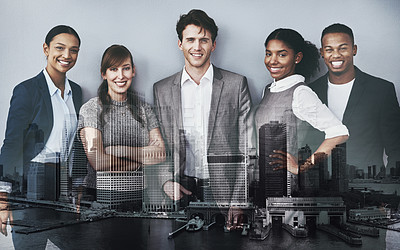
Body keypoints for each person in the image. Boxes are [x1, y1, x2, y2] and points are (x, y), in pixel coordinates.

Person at [153, 9, 252, 211]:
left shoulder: (236, 84)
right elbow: (158, 144)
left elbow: (248, 149)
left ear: (213, 45)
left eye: (204, 40)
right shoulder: (161, 89)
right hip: (180, 190)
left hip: (226, 192)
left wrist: (239, 198)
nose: (197, 47)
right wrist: (165, 181)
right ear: (180, 44)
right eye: (190, 40)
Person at [0, 25, 82, 245]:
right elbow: (11, 144)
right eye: (60, 48)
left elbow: (77, 145)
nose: (67, 55)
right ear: (46, 49)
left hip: (63, 184)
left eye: (73, 50)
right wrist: (3, 199)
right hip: (30, 185)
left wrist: (77, 187)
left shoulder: (77, 91)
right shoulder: (27, 90)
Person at [254, 28, 349, 195]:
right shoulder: (268, 89)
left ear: (297, 58)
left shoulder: (300, 93)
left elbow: (339, 133)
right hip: (265, 182)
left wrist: (302, 166)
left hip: (288, 188)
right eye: (269, 54)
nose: (272, 61)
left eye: (282, 55)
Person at [78, 45, 165, 202]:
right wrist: (139, 163)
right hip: (99, 196)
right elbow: (97, 161)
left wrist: (119, 150)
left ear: (133, 71)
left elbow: (160, 154)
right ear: (103, 73)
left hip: (138, 197)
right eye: (113, 69)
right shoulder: (91, 109)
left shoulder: (144, 109)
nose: (120, 76)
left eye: (125, 68)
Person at [309, 23, 400, 171]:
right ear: (322, 53)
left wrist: (387, 185)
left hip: (369, 187)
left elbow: (397, 149)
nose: (336, 55)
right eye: (329, 49)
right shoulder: (310, 92)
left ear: (354, 50)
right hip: (319, 188)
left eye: (342, 48)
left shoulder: (381, 90)